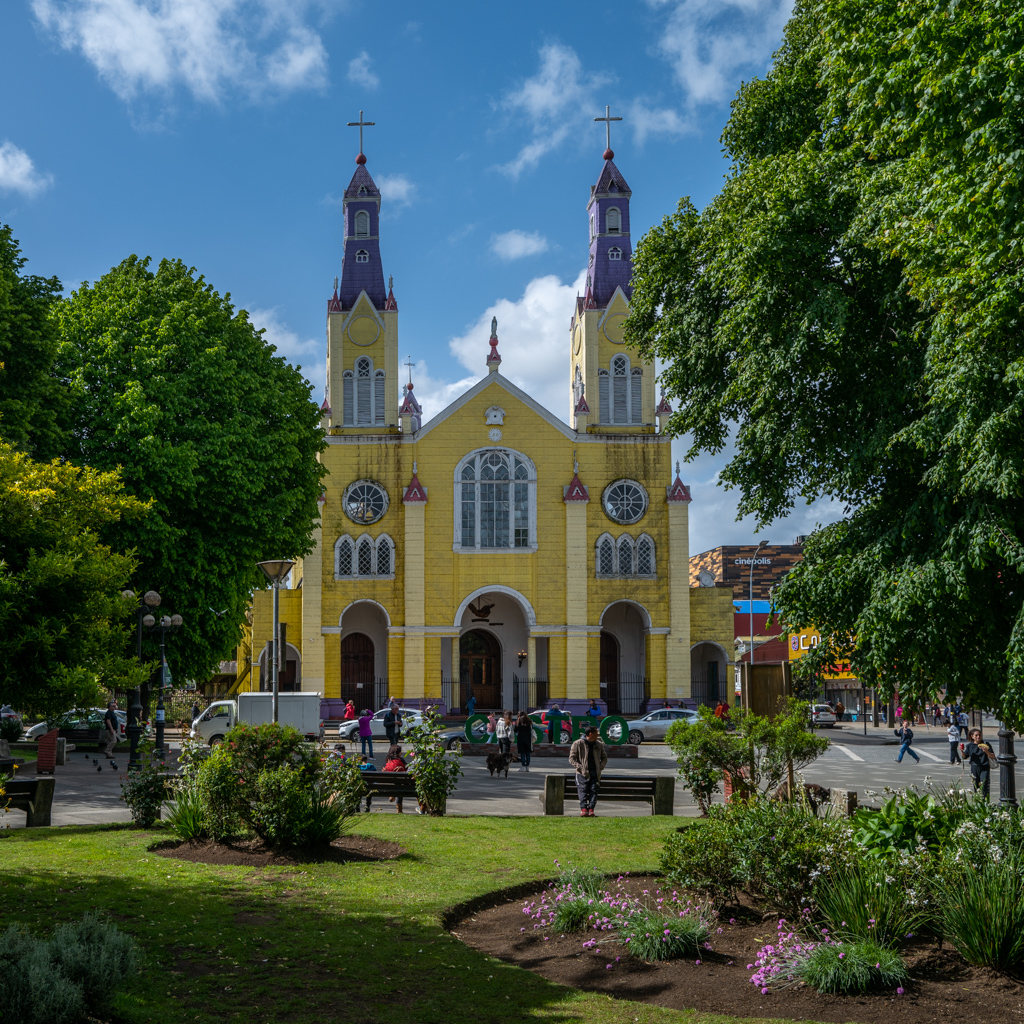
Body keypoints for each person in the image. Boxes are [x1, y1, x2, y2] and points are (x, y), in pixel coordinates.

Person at [568, 725, 608, 817]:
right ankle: (583, 809)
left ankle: (591, 809)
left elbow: (604, 757)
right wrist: (580, 768)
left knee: (594, 790)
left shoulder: (598, 744)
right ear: (590, 734)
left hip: (595, 772)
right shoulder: (578, 743)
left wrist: (600, 767)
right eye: (596, 733)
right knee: (583, 790)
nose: (598, 735)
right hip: (582, 773)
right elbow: (572, 758)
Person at [964, 728, 994, 798]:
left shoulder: (986, 744)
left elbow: (992, 756)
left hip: (984, 767)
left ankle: (985, 801)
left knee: (984, 785)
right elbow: (965, 756)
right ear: (972, 736)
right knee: (976, 785)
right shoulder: (970, 746)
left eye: (980, 735)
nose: (978, 737)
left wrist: (986, 751)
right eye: (976, 735)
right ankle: (978, 802)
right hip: (974, 767)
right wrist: (962, 751)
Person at [383, 743, 408, 813]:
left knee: (396, 784)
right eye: (400, 752)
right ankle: (399, 809)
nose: (401, 753)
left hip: (389, 783)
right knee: (400, 788)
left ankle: (392, 794)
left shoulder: (389, 760)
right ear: (398, 753)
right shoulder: (401, 760)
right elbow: (407, 769)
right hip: (400, 782)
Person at [102, 700, 120, 768]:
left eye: (115, 706)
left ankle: (109, 754)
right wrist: (112, 729)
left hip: (113, 729)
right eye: (113, 706)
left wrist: (116, 728)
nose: (115, 707)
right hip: (109, 730)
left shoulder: (112, 713)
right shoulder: (108, 713)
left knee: (110, 741)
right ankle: (107, 751)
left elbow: (114, 721)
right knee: (114, 740)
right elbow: (108, 721)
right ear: (109, 707)